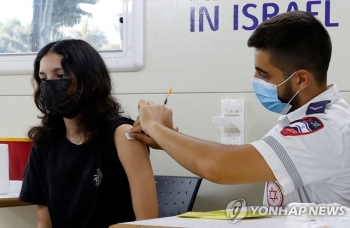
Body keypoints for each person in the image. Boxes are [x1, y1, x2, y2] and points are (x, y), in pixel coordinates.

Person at [129, 11, 350, 207]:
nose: (255, 80)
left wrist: (153, 124)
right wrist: (167, 138)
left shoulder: (326, 130)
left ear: (301, 79)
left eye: (264, 74)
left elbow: (219, 165)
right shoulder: (299, 119)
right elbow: (242, 159)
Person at [19, 39, 158, 227]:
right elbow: (44, 223)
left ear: (92, 81)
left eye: (60, 76)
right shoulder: (44, 143)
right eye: (44, 79)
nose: (50, 86)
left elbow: (147, 222)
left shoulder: (123, 135)